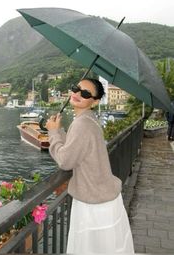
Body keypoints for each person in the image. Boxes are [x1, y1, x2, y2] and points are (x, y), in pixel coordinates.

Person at [46, 78, 134, 254]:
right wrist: (60, 130)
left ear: (95, 101)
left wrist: (53, 132)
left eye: (85, 93)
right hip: (104, 198)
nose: (78, 94)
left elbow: (65, 161)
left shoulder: (82, 123)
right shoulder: (89, 119)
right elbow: (75, 147)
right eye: (76, 88)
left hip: (93, 204)